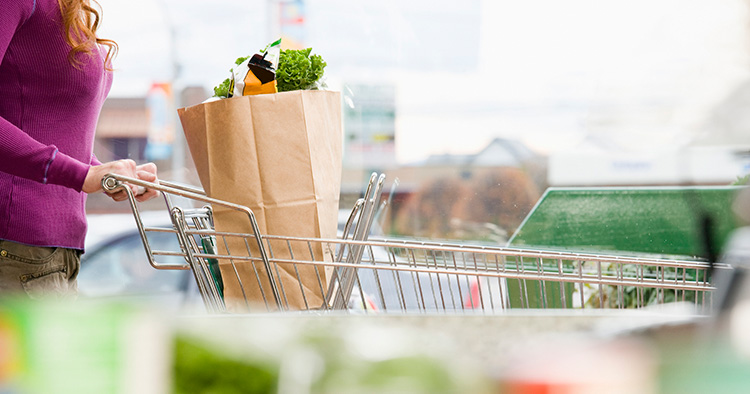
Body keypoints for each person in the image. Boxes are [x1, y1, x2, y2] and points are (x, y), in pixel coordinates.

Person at [0, 0, 159, 298]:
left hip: (55, 252)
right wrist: (80, 174)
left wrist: (108, 173)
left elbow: (54, 130)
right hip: (16, 243)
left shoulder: (69, 8)